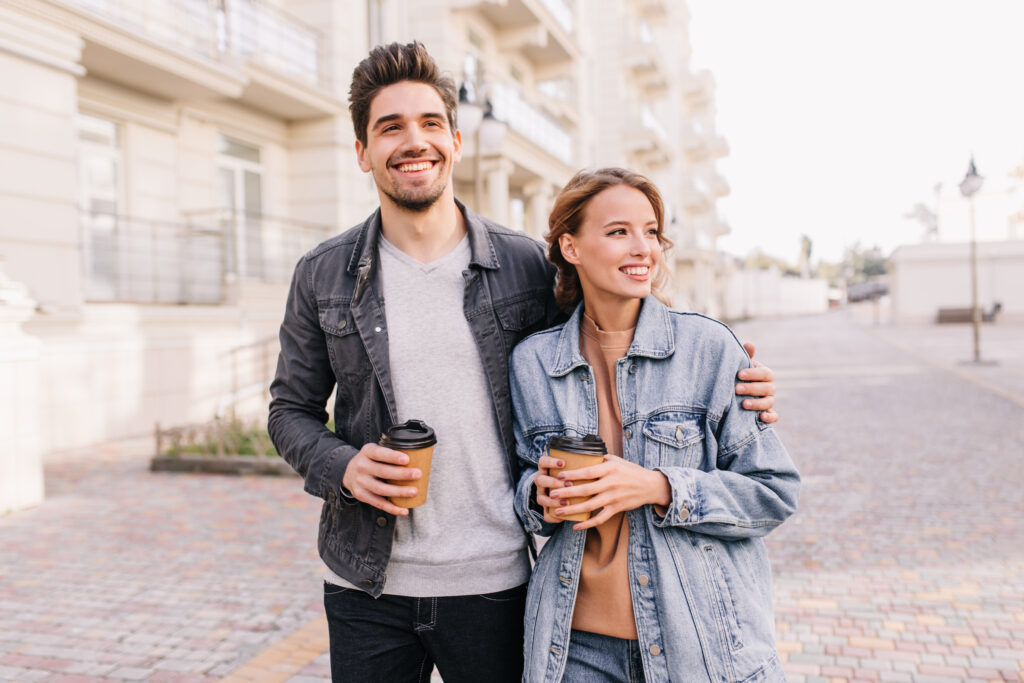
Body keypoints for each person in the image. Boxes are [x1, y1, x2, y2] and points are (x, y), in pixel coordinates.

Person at [268, 42, 779, 682]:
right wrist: (344, 467)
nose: (412, 141)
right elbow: (289, 411)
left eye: (429, 123)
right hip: (365, 584)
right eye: (389, 127)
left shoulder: (523, 265)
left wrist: (725, 370)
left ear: (455, 141)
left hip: (498, 580)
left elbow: (606, 331)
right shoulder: (322, 275)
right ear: (362, 152)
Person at [510, 168, 800, 682]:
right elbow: (523, 485)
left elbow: (773, 492)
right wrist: (540, 496)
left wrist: (657, 486)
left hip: (699, 641)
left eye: (651, 232)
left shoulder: (709, 349)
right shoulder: (532, 362)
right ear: (571, 247)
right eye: (619, 231)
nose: (642, 247)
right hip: (574, 649)